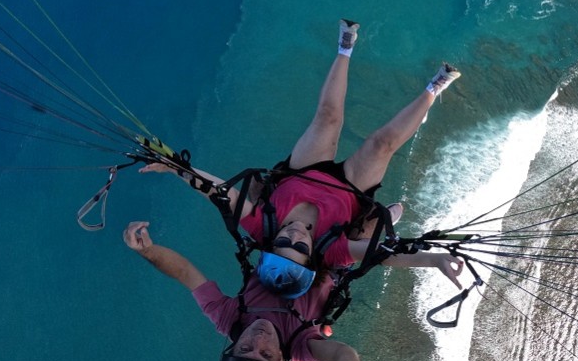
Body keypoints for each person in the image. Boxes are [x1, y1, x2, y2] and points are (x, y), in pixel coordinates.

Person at [142, 19, 463, 299]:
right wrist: (433, 259)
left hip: (301, 173)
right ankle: (435, 88)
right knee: (382, 145)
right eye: (300, 247)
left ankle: (345, 48)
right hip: (351, 191)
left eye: (284, 241)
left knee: (327, 118)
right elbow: (382, 256)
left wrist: (175, 168)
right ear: (312, 256)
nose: (294, 236)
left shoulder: (259, 226)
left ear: (271, 243)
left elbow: (216, 191)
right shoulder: (332, 251)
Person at [124, 220, 367, 361]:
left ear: (232, 347)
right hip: (327, 261)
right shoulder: (300, 349)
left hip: (282, 249)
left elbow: (186, 274)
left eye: (244, 348)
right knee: (371, 223)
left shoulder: (229, 319)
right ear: (282, 360)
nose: (258, 338)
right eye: (266, 353)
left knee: (263, 197)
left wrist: (147, 251)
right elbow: (342, 354)